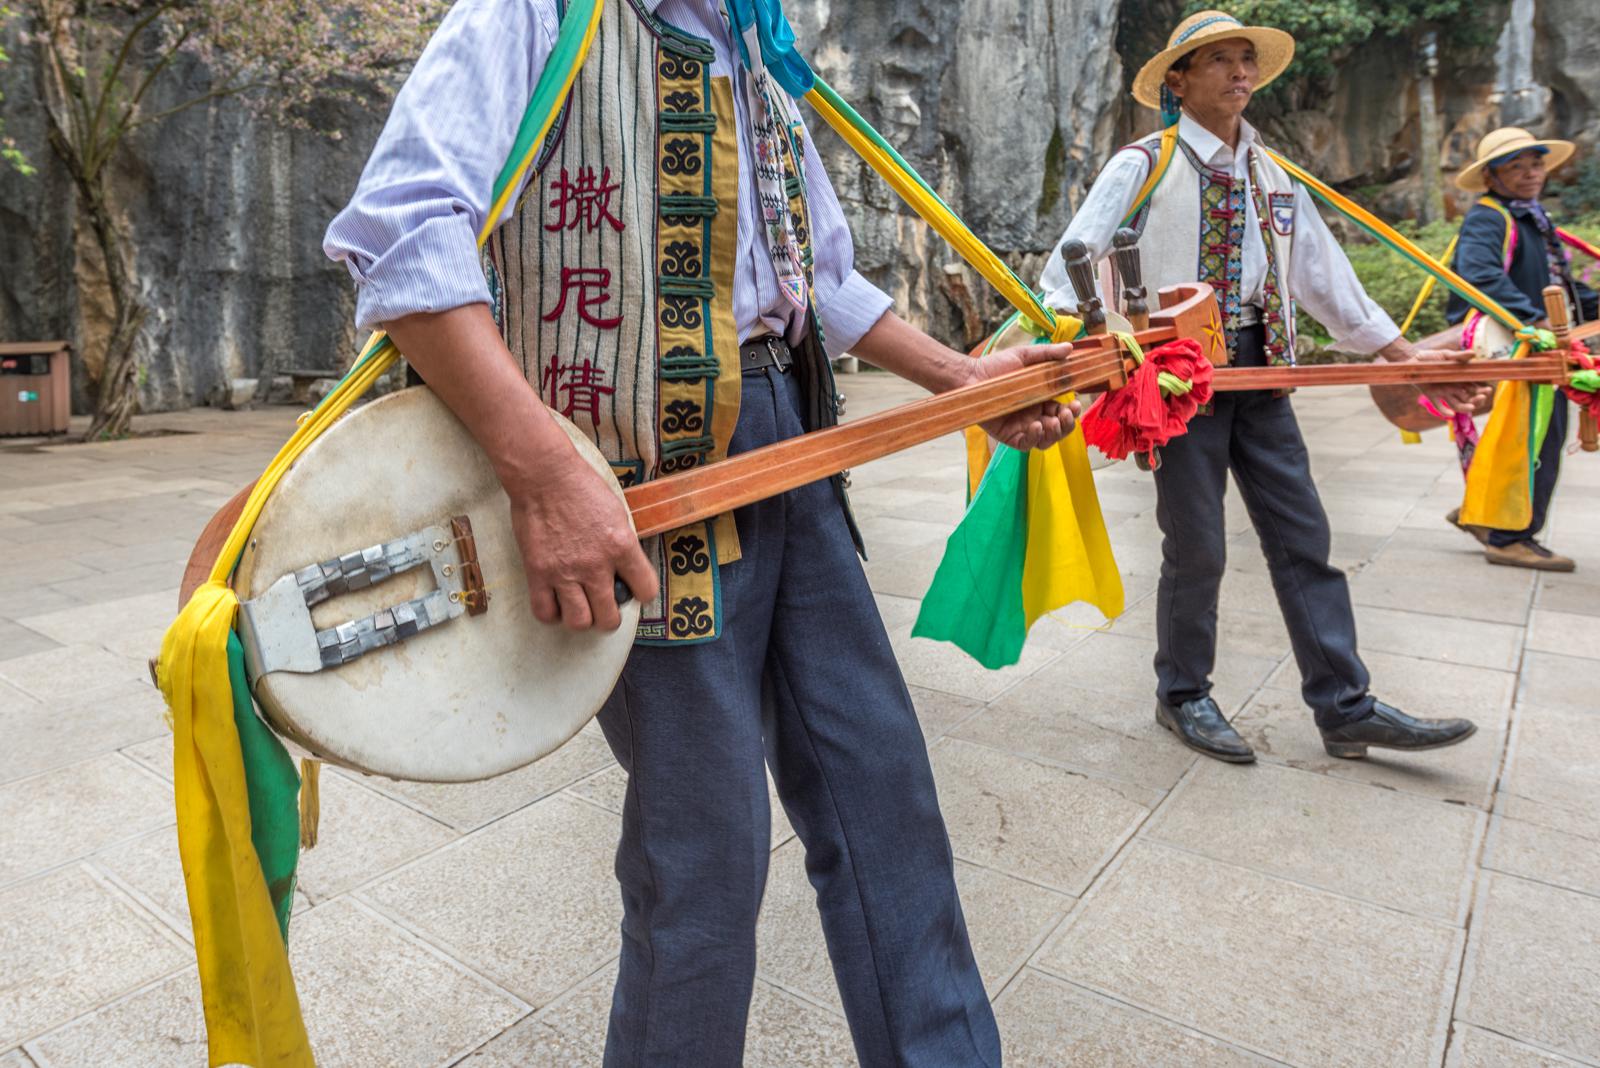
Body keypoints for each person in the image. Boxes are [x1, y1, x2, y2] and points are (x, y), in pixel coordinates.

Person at [325, 1, 1078, 1063]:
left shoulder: (756, 51)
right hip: (634, 475)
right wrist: (540, 471)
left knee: (883, 794)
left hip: (790, 445)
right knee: (706, 844)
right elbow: (401, 228)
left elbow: (818, 281)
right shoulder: (536, 12)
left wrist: (964, 384)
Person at [1039, 10, 1485, 766]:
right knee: (1198, 545)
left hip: (1263, 368)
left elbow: (1324, 279)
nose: (1239, 72)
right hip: (1179, 378)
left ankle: (1344, 706)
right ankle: (1182, 694)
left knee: (1304, 538)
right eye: (1218, 60)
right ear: (1178, 80)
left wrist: (1403, 353)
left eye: (1246, 59)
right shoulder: (1143, 163)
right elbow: (1067, 268)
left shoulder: (1275, 173)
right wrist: (1108, 351)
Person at [1443, 126, 1594, 571]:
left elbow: (1560, 285)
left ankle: (1484, 514)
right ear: (1491, 177)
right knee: (1536, 439)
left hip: (1539, 341)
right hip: (1525, 346)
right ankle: (1510, 538)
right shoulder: (1490, 216)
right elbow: (1479, 276)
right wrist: (1535, 320)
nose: (1531, 173)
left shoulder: (1531, 217)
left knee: (1521, 436)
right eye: (1516, 166)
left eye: (1536, 163)